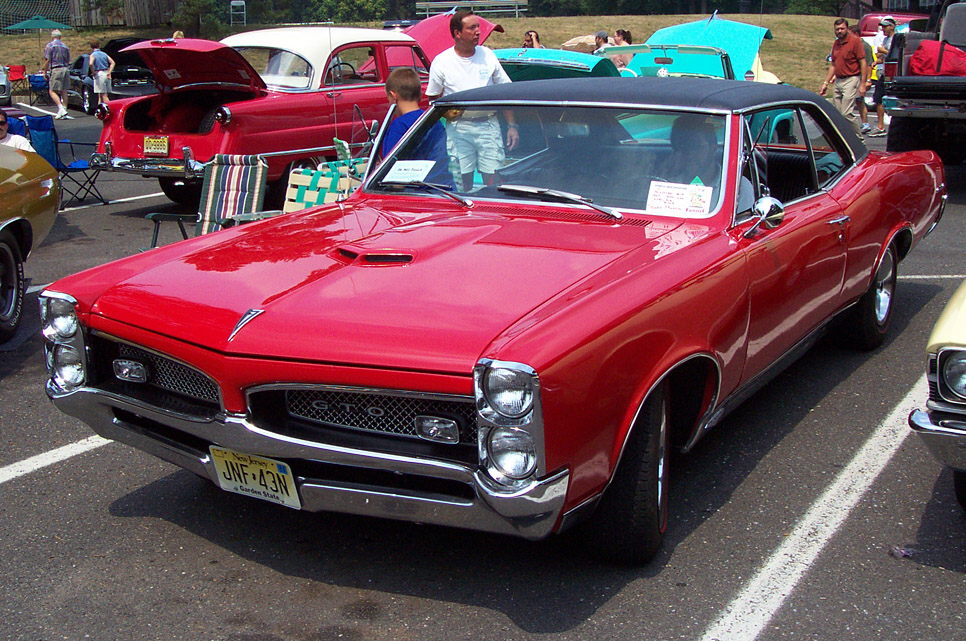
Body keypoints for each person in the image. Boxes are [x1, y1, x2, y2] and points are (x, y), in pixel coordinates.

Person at [426, 10, 518, 191]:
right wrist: (446, 112)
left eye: (478, 27)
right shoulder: (442, 62)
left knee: (493, 178)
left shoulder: (488, 55)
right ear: (457, 33)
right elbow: (433, 98)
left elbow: (505, 92)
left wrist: (513, 126)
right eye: (471, 28)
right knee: (462, 181)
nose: (478, 31)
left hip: (489, 125)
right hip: (459, 128)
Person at [381, 68, 451, 187]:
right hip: (444, 188)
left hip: (414, 192)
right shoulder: (434, 121)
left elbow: (389, 173)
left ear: (393, 96)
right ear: (419, 94)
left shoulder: (398, 126)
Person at [819, 18, 867, 138]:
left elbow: (863, 63)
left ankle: (859, 138)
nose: (840, 31)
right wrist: (825, 83)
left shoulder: (855, 42)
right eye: (837, 29)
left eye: (842, 29)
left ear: (847, 29)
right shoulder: (836, 43)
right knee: (838, 114)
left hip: (851, 79)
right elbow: (833, 65)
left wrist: (863, 84)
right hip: (838, 80)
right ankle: (846, 139)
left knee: (846, 113)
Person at [660, 114, 722, 188]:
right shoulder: (668, 186)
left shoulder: (734, 188)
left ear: (713, 148)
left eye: (695, 146)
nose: (689, 154)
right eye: (681, 147)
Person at [870, 16, 896, 137]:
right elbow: (884, 56)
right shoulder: (885, 40)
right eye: (882, 27)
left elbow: (895, 55)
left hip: (893, 74)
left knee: (892, 98)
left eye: (885, 26)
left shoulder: (896, 39)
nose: (883, 29)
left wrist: (884, 51)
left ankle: (890, 125)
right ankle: (880, 126)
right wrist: (877, 60)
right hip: (885, 72)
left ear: (892, 26)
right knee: (878, 98)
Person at [849, 24, 873, 133]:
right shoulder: (852, 45)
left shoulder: (865, 46)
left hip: (860, 77)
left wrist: (868, 80)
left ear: (856, 34)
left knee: (859, 101)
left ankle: (865, 123)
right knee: (855, 101)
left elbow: (868, 64)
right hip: (851, 77)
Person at [43, 29, 71, 119]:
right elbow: (68, 60)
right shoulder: (65, 46)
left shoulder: (50, 46)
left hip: (56, 69)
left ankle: (60, 107)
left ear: (52, 37)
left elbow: (48, 60)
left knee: (52, 90)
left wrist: (44, 71)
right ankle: (64, 110)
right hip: (65, 69)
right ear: (60, 37)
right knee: (64, 90)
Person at [88, 39, 115, 106]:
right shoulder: (104, 54)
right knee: (100, 93)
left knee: (104, 95)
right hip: (106, 73)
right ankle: (99, 109)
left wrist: (93, 72)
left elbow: (90, 64)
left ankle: (110, 109)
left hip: (99, 74)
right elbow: (112, 63)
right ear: (99, 45)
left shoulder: (93, 55)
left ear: (91, 46)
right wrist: (109, 72)